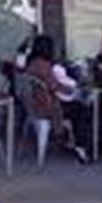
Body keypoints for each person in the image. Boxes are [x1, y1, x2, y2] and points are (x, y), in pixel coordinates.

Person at [25, 34, 91, 164]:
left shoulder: (31, 62)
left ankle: (74, 141)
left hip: (36, 104)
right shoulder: (43, 65)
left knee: (77, 106)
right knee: (81, 109)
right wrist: (75, 90)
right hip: (47, 107)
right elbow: (55, 86)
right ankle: (80, 146)